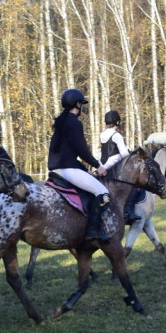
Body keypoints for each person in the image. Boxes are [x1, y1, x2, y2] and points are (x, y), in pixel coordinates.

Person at [48, 89, 110, 241]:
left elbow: (68, 153)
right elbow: (82, 150)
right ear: (77, 104)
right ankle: (92, 231)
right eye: (81, 103)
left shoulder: (61, 123)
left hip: (57, 169)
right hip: (67, 170)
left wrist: (84, 169)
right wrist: (97, 166)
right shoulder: (74, 123)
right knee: (103, 193)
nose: (82, 106)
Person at [99, 110, 139, 222]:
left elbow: (100, 154)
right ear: (117, 122)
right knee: (134, 187)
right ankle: (128, 212)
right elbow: (125, 155)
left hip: (102, 168)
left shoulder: (101, 135)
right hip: (114, 169)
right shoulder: (117, 136)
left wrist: (101, 166)